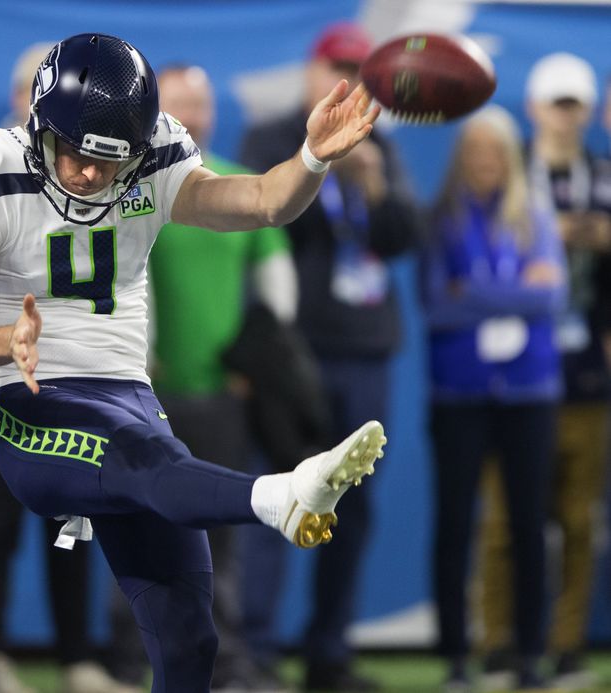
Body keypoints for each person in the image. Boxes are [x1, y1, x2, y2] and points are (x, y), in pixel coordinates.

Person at [0, 32, 386, 693]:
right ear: (41, 124)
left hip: (129, 397)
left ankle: (275, 498)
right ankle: (280, 494)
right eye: (76, 152)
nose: (88, 174)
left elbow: (262, 202)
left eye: (109, 161)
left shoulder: (155, 159)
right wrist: (3, 343)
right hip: (28, 400)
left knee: (188, 630)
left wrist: (310, 157)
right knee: (147, 458)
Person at [238, 21, 420, 692]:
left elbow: (403, 237)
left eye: (358, 68)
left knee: (352, 506)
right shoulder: (273, 135)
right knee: (277, 493)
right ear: (313, 75)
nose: (346, 79)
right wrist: (318, 162)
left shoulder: (382, 146)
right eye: (336, 67)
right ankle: (256, 649)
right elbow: (266, 220)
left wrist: (371, 182)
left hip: (365, 347)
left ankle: (328, 651)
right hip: (296, 350)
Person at [105, 63, 298, 692]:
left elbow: (276, 279)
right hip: (144, 391)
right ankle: (128, 661)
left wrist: (256, 361)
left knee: (222, 532)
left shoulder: (237, 182)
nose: (193, 116)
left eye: (201, 105)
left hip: (218, 395)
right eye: (180, 105)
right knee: (133, 521)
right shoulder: (131, 185)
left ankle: (228, 664)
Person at [0, 42, 137, 693]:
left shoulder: (92, 168)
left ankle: (76, 658)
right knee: (0, 511)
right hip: (3, 365)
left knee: (74, 513)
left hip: (77, 364)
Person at [475, 53, 611, 691]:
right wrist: (553, 234)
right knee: (507, 518)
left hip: (587, 372)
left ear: (588, 111)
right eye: (554, 103)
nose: (563, 115)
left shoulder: (604, 177)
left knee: (579, 520)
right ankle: (499, 641)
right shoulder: (508, 177)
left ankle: (565, 645)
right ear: (534, 108)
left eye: (572, 104)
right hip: (518, 373)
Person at [421, 105, 567, 692]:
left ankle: (530, 653)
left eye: (494, 151)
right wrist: (514, 291)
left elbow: (551, 300)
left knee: (529, 525)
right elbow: (437, 306)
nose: (484, 162)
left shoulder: (535, 216)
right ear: (462, 158)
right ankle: (458, 657)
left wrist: (474, 289)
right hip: (459, 394)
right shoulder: (442, 220)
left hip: (530, 392)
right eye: (475, 151)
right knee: (455, 525)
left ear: (509, 158)